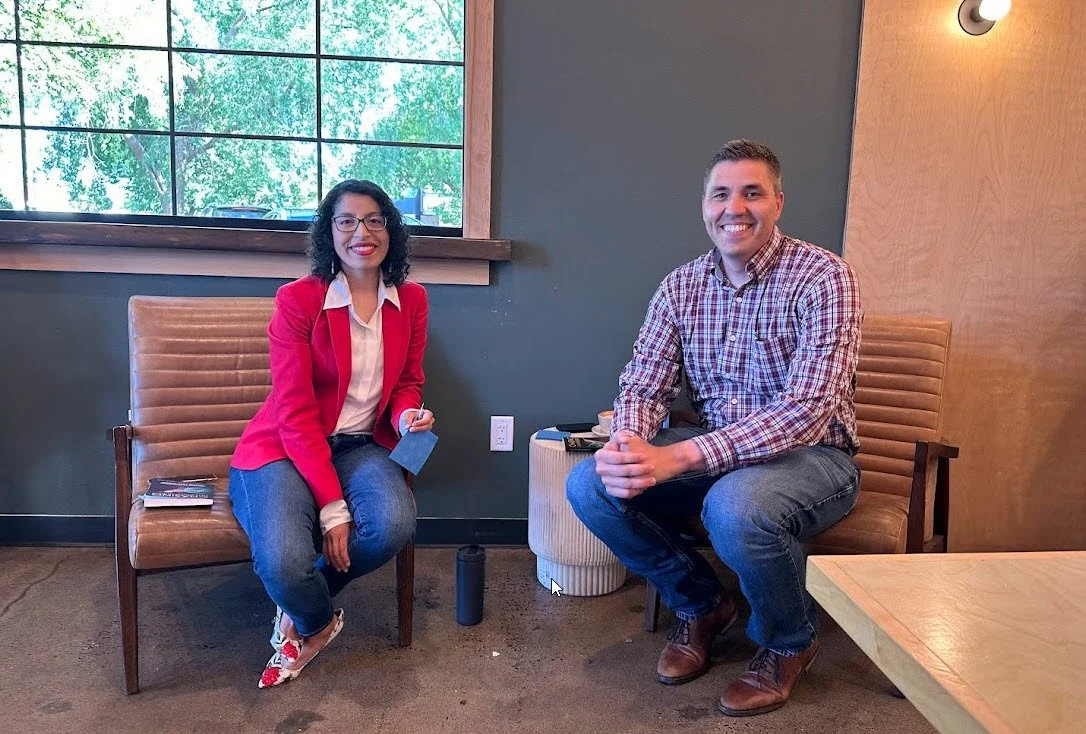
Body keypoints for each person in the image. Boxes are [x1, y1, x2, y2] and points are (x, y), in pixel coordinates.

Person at [566, 139, 862, 717]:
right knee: (590, 485)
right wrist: (628, 444)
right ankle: (702, 605)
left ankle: (789, 640)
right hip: (715, 455)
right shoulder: (681, 286)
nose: (735, 208)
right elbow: (644, 384)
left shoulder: (825, 277)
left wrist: (679, 457)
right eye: (721, 194)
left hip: (814, 458)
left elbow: (808, 408)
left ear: (778, 202)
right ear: (704, 205)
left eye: (753, 193)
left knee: (733, 506)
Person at [229, 179, 434, 688]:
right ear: (329, 232)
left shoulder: (412, 300)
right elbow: (296, 412)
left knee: (392, 524)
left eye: (374, 220)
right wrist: (333, 508)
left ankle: (300, 605)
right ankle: (317, 622)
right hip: (284, 446)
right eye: (347, 221)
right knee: (283, 563)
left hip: (362, 446)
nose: (361, 232)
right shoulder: (299, 300)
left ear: (390, 230)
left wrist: (407, 418)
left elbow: (407, 382)